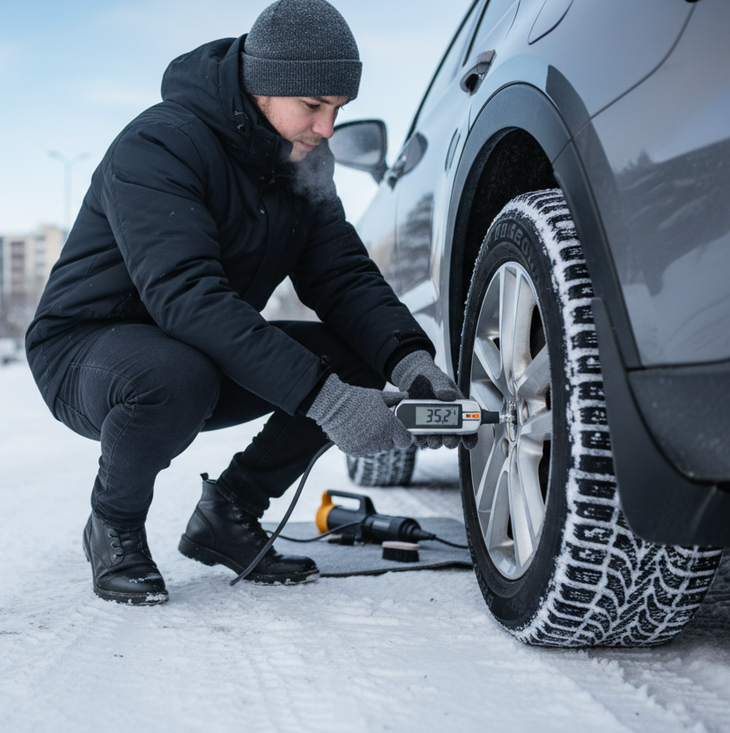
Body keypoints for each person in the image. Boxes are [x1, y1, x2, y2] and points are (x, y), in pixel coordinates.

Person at [25, 0, 472, 606]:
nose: (326, 130)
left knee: (350, 356)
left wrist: (411, 363)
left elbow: (343, 276)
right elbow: (185, 295)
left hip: (196, 348)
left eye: (338, 110)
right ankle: (114, 525)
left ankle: (228, 512)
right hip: (87, 354)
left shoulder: (303, 162)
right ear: (263, 87)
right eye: (312, 108)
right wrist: (328, 402)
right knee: (175, 374)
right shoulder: (161, 143)